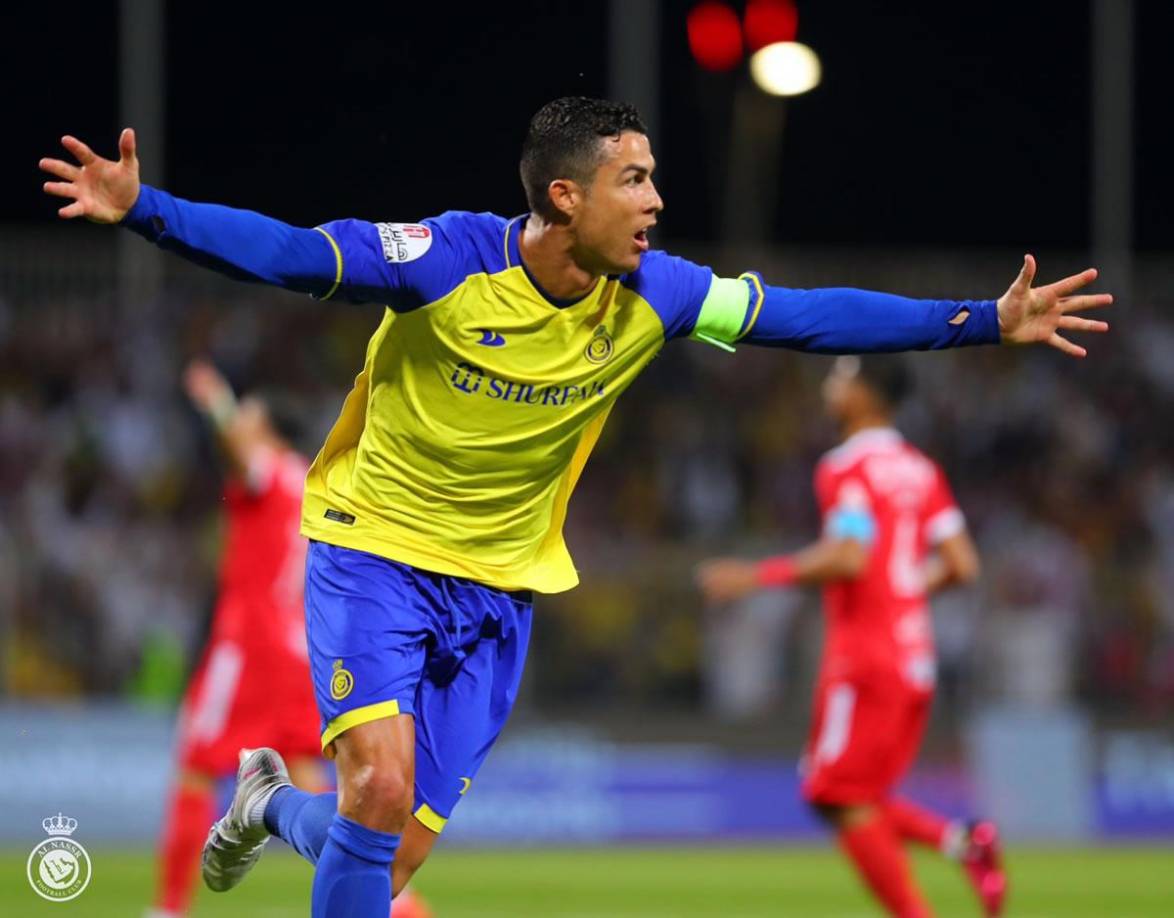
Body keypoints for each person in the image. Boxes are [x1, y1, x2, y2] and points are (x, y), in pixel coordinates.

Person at [41, 97, 1106, 917]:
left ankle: (268, 805)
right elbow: (289, 252)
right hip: (372, 555)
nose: (652, 203)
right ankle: (288, 805)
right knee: (375, 787)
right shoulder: (447, 261)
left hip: (501, 588)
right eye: (632, 181)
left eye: (653, 181)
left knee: (389, 846)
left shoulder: (657, 294)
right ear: (564, 197)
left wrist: (976, 320)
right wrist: (147, 210)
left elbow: (806, 317)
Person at [697, 354, 1006, 917]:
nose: (829, 386)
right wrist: (903, 590)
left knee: (833, 793)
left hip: (864, 656)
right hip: (913, 656)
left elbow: (848, 555)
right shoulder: (920, 469)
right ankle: (964, 844)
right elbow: (963, 563)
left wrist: (754, 576)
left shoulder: (844, 466)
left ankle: (933, 889)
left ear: (869, 394)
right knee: (846, 793)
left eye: (841, 376)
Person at [148, 360, 325, 918]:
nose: (241, 421)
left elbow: (240, 453)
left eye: (250, 413)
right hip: (301, 654)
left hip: (249, 648)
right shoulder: (311, 482)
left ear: (267, 427)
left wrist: (215, 400)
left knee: (197, 769)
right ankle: (395, 898)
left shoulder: (269, 471)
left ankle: (169, 910)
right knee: (308, 779)